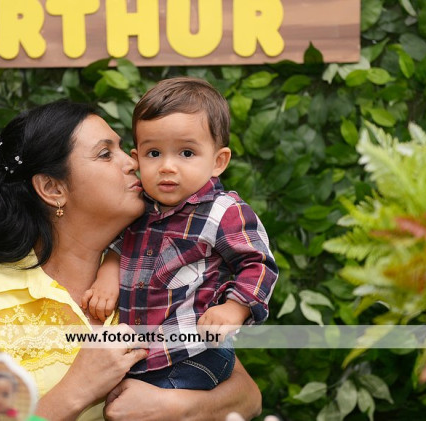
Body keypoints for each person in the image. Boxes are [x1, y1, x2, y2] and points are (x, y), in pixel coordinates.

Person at [0, 100, 263, 420]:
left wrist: (175, 406)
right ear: (53, 188)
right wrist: (78, 388)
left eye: (124, 149)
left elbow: (247, 394)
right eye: (105, 154)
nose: (132, 162)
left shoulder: (160, 265)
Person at [81, 77, 279, 390]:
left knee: (147, 404)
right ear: (137, 158)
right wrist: (108, 274)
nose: (167, 167)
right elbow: (122, 245)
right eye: (154, 153)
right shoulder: (139, 208)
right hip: (144, 355)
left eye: (186, 153)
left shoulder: (222, 211)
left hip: (195, 352)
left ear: (218, 161)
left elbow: (259, 264)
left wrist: (235, 308)